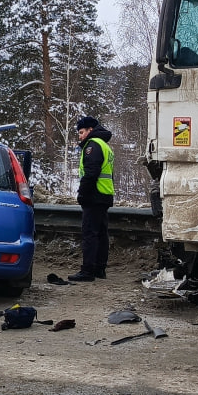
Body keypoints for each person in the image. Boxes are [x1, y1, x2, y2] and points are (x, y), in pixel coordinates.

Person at [69, 115, 114, 282]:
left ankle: (87, 270)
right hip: (104, 194)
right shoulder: (104, 145)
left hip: (94, 195)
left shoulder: (92, 146)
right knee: (101, 233)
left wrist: (82, 193)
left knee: (90, 234)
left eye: (81, 132)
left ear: (90, 130)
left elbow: (91, 173)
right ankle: (99, 269)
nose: (80, 136)